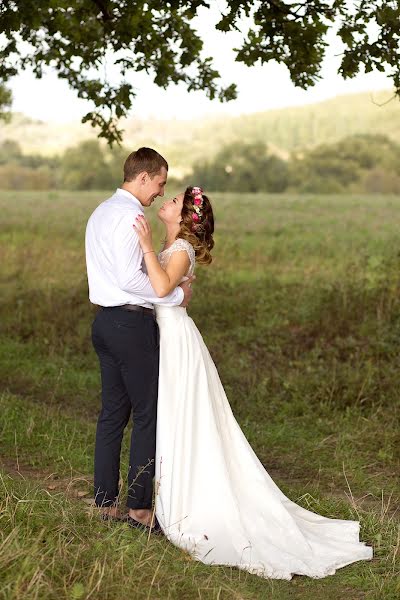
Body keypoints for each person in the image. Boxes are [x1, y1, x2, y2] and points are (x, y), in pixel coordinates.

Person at [132, 186, 373, 580]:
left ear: (185, 217)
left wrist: (143, 246)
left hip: (176, 342)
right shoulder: (169, 247)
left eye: (174, 200)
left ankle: (185, 502)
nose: (167, 201)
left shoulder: (180, 251)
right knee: (170, 418)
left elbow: (161, 289)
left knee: (183, 418)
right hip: (164, 337)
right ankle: (161, 493)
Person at [85, 147, 193, 531]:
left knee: (113, 414)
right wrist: (174, 295)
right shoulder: (131, 215)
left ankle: (103, 502)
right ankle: (140, 510)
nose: (161, 193)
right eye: (161, 183)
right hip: (130, 326)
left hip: (104, 323)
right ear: (143, 176)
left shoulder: (101, 211)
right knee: (147, 414)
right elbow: (130, 280)